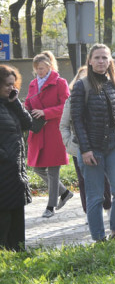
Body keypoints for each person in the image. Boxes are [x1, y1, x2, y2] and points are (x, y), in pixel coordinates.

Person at [71, 44, 115, 242]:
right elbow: (76, 120)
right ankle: (99, 239)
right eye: (97, 57)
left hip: (114, 145)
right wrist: (85, 150)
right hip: (91, 148)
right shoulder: (82, 85)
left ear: (110, 61)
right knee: (96, 197)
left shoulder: (114, 84)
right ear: (89, 60)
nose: (101, 61)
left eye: (105, 58)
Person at [26, 51, 72, 218]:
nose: (40, 71)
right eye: (37, 69)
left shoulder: (60, 83)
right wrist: (27, 112)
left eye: (43, 68)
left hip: (54, 131)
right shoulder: (33, 84)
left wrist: (45, 112)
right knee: (37, 168)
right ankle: (64, 192)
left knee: (53, 170)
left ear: (50, 67)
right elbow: (28, 103)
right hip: (38, 131)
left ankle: (50, 206)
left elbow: (66, 106)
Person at [62, 67, 111, 215]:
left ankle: (108, 206)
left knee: (104, 179)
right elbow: (64, 125)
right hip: (79, 147)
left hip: (102, 145)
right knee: (84, 181)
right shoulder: (71, 100)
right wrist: (70, 145)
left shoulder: (105, 95)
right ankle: (88, 212)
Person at [0, 65, 33, 251]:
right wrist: (4, 157)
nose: (11, 88)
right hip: (3, 171)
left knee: (17, 219)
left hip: (15, 172)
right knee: (3, 219)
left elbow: (29, 124)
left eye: (13, 85)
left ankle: (18, 254)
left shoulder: (10, 104)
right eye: (7, 85)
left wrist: (16, 102)